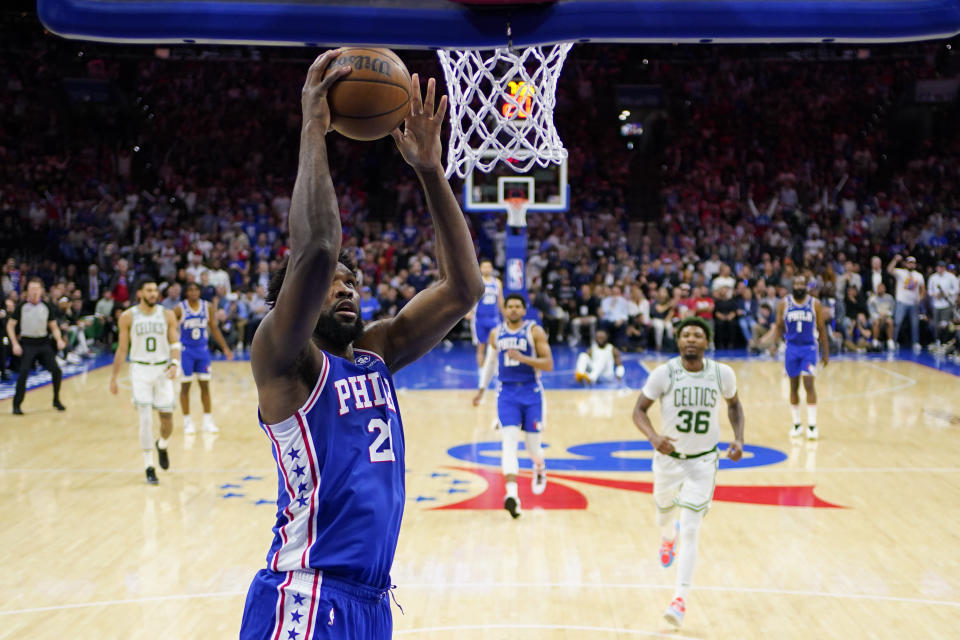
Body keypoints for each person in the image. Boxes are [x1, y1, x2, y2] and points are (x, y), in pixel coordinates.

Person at [239, 53, 482, 640]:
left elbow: (462, 290)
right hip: (306, 592)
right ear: (295, 299)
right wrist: (313, 128)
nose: (346, 288)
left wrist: (430, 170)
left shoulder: (374, 354)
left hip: (371, 604)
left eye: (355, 282)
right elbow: (319, 248)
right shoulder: (285, 358)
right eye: (333, 286)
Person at [631, 317, 744, 629]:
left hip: (703, 462)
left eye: (697, 335)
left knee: (692, 528)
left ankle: (679, 600)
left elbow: (734, 406)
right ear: (678, 342)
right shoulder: (664, 373)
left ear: (707, 342)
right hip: (669, 460)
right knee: (663, 516)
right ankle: (668, 537)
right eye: (686, 335)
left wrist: (738, 438)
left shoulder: (722, 374)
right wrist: (653, 438)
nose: (691, 339)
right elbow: (639, 410)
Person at [472, 294, 554, 519]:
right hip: (506, 394)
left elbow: (549, 364)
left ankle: (539, 466)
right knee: (508, 444)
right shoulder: (496, 333)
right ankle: (512, 495)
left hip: (532, 393)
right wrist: (481, 390)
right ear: (504, 310)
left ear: (524, 310)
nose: (514, 310)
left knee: (532, 448)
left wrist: (523, 358)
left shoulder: (534, 331)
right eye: (510, 307)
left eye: (518, 306)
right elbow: (490, 363)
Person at [109, 277, 181, 484]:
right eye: (149, 290)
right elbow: (122, 349)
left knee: (167, 420)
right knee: (146, 418)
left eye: (155, 290)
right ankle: (149, 466)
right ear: (140, 292)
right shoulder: (127, 316)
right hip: (140, 369)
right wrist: (114, 377)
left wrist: (175, 364)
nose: (153, 294)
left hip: (162, 369)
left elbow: (175, 343)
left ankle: (163, 445)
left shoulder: (166, 314)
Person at [771, 274, 829, 439]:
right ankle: (796, 424)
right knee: (793, 386)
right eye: (795, 284)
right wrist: (774, 344)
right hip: (791, 349)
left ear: (806, 286)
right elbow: (779, 326)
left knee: (809, 384)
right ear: (792, 286)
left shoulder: (814, 304)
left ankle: (812, 426)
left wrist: (826, 352)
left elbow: (822, 328)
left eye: (801, 284)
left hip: (809, 349)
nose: (798, 286)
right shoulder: (784, 303)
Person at [174, 281, 234, 434]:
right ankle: (187, 422)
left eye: (196, 289)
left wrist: (225, 348)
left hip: (202, 351)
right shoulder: (179, 308)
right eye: (190, 290)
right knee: (185, 387)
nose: (193, 292)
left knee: (205, 386)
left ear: (200, 292)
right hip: (186, 351)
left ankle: (208, 421)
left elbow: (214, 328)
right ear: (186, 292)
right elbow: (172, 330)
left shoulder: (207, 307)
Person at [6, 278, 66, 415]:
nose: (34, 291)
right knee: (23, 373)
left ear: (41, 291)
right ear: (27, 291)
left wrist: (59, 339)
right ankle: (17, 405)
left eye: (36, 288)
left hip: (43, 343)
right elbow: (10, 325)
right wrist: (15, 343)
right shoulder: (21, 306)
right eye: (31, 288)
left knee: (57, 371)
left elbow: (54, 326)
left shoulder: (46, 306)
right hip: (27, 343)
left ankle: (56, 400)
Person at [470, 258, 504, 371]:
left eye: (488, 267)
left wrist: (505, 314)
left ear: (492, 268)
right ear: (480, 268)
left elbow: (500, 300)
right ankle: (481, 371)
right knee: (481, 346)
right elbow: (472, 299)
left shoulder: (497, 282)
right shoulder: (477, 282)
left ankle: (494, 370)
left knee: (495, 346)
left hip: (494, 319)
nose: (486, 269)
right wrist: (469, 311)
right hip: (479, 319)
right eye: (484, 267)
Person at [887, 255, 925, 352]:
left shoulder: (919, 275)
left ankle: (915, 343)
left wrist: (919, 299)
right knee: (897, 323)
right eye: (909, 263)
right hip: (901, 302)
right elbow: (889, 270)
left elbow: (923, 290)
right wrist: (895, 260)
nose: (911, 265)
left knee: (915, 324)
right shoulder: (901, 272)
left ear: (915, 265)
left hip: (913, 304)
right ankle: (893, 341)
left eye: (913, 263)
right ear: (906, 264)